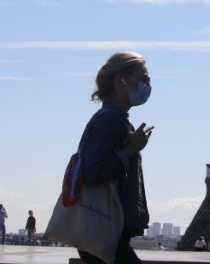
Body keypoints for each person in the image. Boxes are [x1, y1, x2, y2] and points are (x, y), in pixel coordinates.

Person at [77, 52, 155, 264]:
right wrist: (131, 150)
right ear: (122, 79)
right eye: (143, 78)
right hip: (105, 233)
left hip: (106, 231)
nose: (148, 85)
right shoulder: (110, 120)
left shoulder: (115, 119)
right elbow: (93, 172)